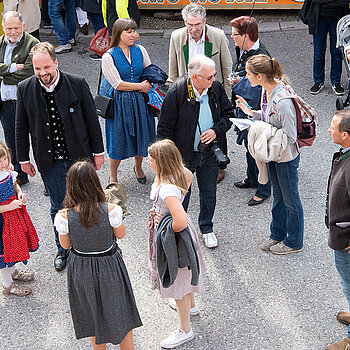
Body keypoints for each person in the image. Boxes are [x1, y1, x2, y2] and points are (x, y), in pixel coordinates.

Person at [15, 42, 105, 272]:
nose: (42, 73)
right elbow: (20, 125)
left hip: (79, 158)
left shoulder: (77, 83)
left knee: (86, 201)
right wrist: (23, 159)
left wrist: (98, 153)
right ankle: (63, 249)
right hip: (49, 161)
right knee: (58, 205)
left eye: (46, 67)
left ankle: (88, 244)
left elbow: (92, 121)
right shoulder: (25, 88)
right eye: (37, 69)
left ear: (56, 62)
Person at [54, 161, 141, 350]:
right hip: (109, 266)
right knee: (121, 313)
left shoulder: (63, 216)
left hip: (81, 268)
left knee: (91, 316)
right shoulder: (111, 210)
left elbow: (65, 245)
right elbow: (121, 234)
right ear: (95, 183)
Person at [157, 54, 233, 249]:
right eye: (209, 77)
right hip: (183, 157)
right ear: (195, 77)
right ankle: (180, 232)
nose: (214, 80)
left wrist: (215, 131)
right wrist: (167, 161)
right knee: (182, 196)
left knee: (209, 192)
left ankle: (206, 229)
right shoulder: (177, 92)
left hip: (209, 154)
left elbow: (228, 115)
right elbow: (164, 129)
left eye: (214, 76)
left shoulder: (214, 89)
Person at [236, 54, 304, 255]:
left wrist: (261, 129)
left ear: (259, 76)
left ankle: (294, 242)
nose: (245, 78)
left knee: (290, 199)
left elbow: (291, 135)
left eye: (248, 74)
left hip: (285, 156)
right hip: (274, 154)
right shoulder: (268, 91)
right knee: (279, 197)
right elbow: (268, 118)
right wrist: (251, 113)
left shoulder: (282, 101)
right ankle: (277, 233)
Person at [147, 139, 205, 349]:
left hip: (174, 237)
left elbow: (178, 222)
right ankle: (191, 306)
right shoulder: (183, 173)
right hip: (185, 232)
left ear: (162, 162)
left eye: (151, 159)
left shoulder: (166, 190)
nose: (147, 162)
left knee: (178, 279)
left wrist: (164, 224)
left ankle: (185, 330)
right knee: (185, 273)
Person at [168, 4, 232, 183]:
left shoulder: (217, 36)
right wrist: (173, 94)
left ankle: (219, 165)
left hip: (213, 89)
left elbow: (227, 68)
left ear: (205, 21)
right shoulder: (177, 36)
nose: (194, 29)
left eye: (197, 24)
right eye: (190, 24)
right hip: (187, 90)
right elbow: (173, 69)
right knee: (189, 125)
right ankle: (189, 160)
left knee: (216, 126)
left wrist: (227, 95)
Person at [102, 18, 155, 184]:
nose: (134, 35)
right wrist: (141, 86)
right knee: (117, 139)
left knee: (141, 136)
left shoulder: (140, 50)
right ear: (119, 34)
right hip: (119, 102)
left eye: (134, 31)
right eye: (129, 32)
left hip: (140, 102)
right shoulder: (108, 56)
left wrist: (151, 81)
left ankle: (138, 168)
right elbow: (117, 84)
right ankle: (113, 175)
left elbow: (149, 71)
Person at [230, 15, 271, 206]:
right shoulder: (243, 49)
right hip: (245, 109)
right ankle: (252, 177)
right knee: (249, 146)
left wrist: (240, 83)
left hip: (257, 110)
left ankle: (264, 189)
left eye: (235, 35)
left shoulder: (262, 57)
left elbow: (258, 88)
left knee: (259, 150)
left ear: (246, 36)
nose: (232, 38)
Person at [0, 11, 39, 186]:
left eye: (16, 27)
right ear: (3, 28)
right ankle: (19, 175)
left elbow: (29, 73)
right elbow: (21, 71)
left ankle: (49, 178)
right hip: (6, 102)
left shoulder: (33, 44)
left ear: (23, 26)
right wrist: (14, 67)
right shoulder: (1, 42)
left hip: (27, 102)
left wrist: (3, 75)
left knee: (38, 139)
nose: (13, 31)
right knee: (11, 140)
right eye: (9, 28)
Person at [0, 141, 39, 297]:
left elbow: (15, 185)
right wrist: (9, 207)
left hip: (14, 217)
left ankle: (12, 271)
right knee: (3, 251)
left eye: (5, 159)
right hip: (2, 222)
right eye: (0, 162)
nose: (3, 164)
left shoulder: (8, 171)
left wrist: (19, 193)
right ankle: (7, 284)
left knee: (14, 245)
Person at [325, 111, 350, 350]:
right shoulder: (346, 153)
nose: (328, 131)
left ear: (345, 135)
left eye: (332, 128)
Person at [300, 0, 348, 95]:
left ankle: (336, 82)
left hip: (338, 19)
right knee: (318, 52)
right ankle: (318, 81)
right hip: (319, 19)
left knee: (337, 52)